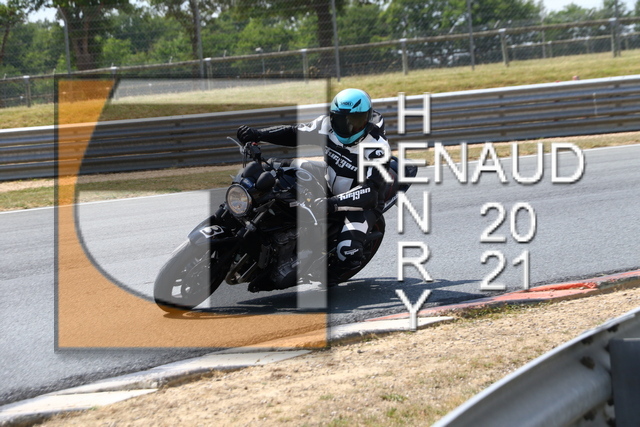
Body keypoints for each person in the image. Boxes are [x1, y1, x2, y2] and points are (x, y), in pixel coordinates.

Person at [237, 88, 391, 284]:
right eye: (341, 120)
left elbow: (370, 193)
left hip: (362, 204)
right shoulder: (326, 125)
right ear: (332, 116)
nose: (348, 126)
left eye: (355, 120)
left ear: (367, 118)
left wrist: (332, 203)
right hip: (328, 180)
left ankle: (332, 274)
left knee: (348, 251)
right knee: (278, 167)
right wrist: (258, 134)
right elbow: (294, 133)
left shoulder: (378, 148)